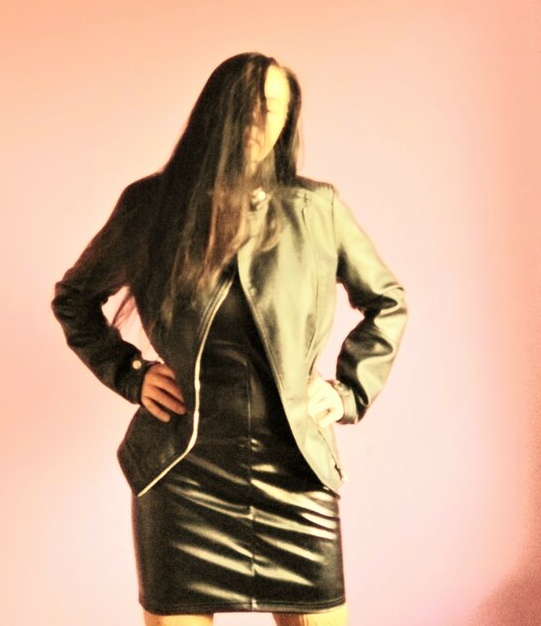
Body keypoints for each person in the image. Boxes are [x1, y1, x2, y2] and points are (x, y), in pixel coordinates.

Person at [51, 52, 408, 626]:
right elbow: (75, 298)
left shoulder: (316, 209)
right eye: (250, 107)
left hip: (295, 474)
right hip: (181, 475)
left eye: (276, 111)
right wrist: (132, 374)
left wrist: (347, 393)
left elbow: (387, 301)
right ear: (216, 111)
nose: (261, 124)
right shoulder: (150, 206)